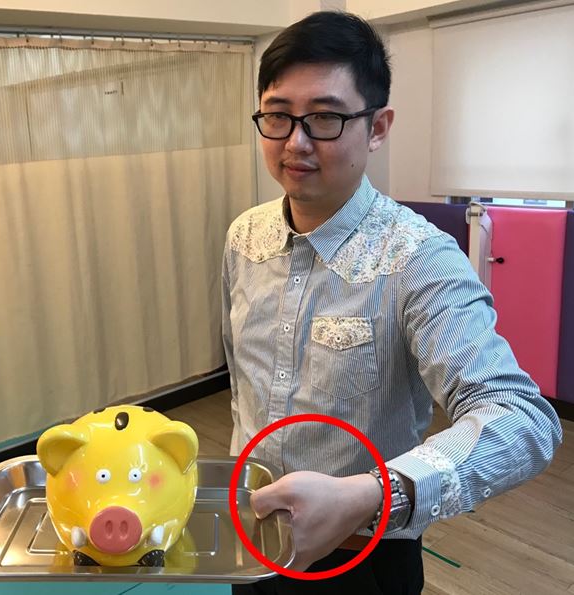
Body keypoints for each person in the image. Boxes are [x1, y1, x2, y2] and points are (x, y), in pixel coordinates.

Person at [221, 10, 563, 595]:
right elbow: (242, 387)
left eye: (325, 118)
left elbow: (521, 417)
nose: (296, 142)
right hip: (249, 532)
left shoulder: (418, 257)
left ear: (377, 127)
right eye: (278, 116)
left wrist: (374, 494)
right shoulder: (244, 237)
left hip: (362, 554)